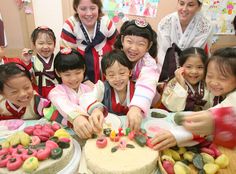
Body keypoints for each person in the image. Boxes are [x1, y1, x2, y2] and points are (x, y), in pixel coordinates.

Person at [114, 18, 160, 131]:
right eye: (129, 41)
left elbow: (147, 83)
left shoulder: (149, 63)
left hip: (144, 105)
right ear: (122, 39)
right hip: (120, 104)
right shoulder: (115, 57)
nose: (133, 48)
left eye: (141, 44)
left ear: (149, 46)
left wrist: (136, 107)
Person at [60, 0, 118, 84]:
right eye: (83, 9)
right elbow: (67, 58)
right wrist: (84, 80)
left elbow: (117, 48)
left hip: (107, 69)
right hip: (80, 74)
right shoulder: (70, 25)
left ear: (98, 8)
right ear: (76, 8)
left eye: (93, 8)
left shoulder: (106, 22)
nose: (89, 13)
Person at [79, 49, 134, 133]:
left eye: (122, 73)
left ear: (130, 72)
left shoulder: (137, 89)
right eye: (111, 75)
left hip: (131, 130)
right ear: (106, 76)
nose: (117, 79)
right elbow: (85, 98)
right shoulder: (103, 87)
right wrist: (96, 109)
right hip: (109, 131)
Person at [157, 0, 213, 81]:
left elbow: (195, 54)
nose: (184, 9)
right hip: (166, 68)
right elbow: (163, 51)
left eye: (190, 5)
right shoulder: (165, 22)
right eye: (181, 3)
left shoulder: (205, 26)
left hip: (193, 70)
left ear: (199, 7)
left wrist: (183, 74)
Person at [47, 48, 93, 139]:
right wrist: (76, 117)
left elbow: (93, 104)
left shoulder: (88, 89)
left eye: (78, 72)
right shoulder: (56, 93)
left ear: (84, 69)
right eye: (67, 75)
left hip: (87, 131)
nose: (73, 78)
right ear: (58, 73)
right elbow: (64, 105)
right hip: (64, 134)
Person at [161, 47, 213, 112]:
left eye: (200, 67)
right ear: (180, 67)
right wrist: (181, 85)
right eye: (189, 67)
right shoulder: (173, 83)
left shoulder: (209, 84)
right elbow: (173, 108)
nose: (194, 71)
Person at [31, 26, 58, 98]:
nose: (45, 47)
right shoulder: (32, 60)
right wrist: (26, 62)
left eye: (49, 43)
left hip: (56, 90)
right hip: (38, 90)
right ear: (34, 44)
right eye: (41, 43)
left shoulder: (58, 58)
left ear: (54, 44)